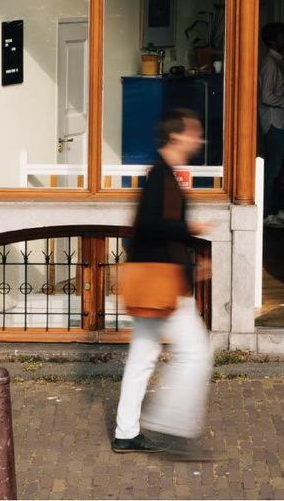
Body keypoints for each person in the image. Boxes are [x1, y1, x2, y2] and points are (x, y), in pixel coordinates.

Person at [113, 108, 215, 460]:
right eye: (194, 133)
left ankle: (126, 432)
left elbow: (150, 229)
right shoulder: (161, 177)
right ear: (176, 137)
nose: (198, 139)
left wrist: (193, 255)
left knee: (142, 357)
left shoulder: (163, 175)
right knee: (197, 354)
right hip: (164, 285)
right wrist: (192, 231)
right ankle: (171, 421)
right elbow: (150, 226)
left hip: (159, 281)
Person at [258, 22, 284, 229]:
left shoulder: (277, 61)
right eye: (282, 37)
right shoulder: (270, 63)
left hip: (280, 120)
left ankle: (274, 207)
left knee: (278, 168)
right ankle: (267, 212)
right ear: (272, 41)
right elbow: (266, 96)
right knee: (273, 169)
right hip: (274, 121)